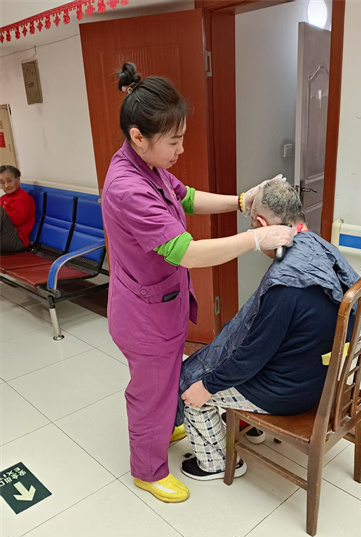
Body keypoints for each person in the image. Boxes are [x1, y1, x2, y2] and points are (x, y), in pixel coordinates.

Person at [101, 63, 294, 504]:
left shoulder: (147, 165)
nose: (181, 149)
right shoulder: (128, 187)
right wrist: (255, 239)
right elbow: (185, 252)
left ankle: (165, 425)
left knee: (167, 377)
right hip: (143, 315)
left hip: (161, 302)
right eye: (173, 141)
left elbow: (185, 196)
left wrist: (241, 200)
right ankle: (147, 470)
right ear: (138, 136)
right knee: (149, 392)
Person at [179, 180, 359, 480]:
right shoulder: (324, 250)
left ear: (262, 225)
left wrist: (206, 386)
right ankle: (253, 427)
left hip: (288, 394)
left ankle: (216, 463)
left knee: (192, 392)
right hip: (323, 379)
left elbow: (252, 356)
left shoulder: (287, 284)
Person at [0, 165, 35, 254]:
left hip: (17, 241)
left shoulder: (24, 198)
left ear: (18, 180)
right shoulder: (3, 198)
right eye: (2, 182)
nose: (6, 186)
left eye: (9, 181)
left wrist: (4, 210)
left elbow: (17, 220)